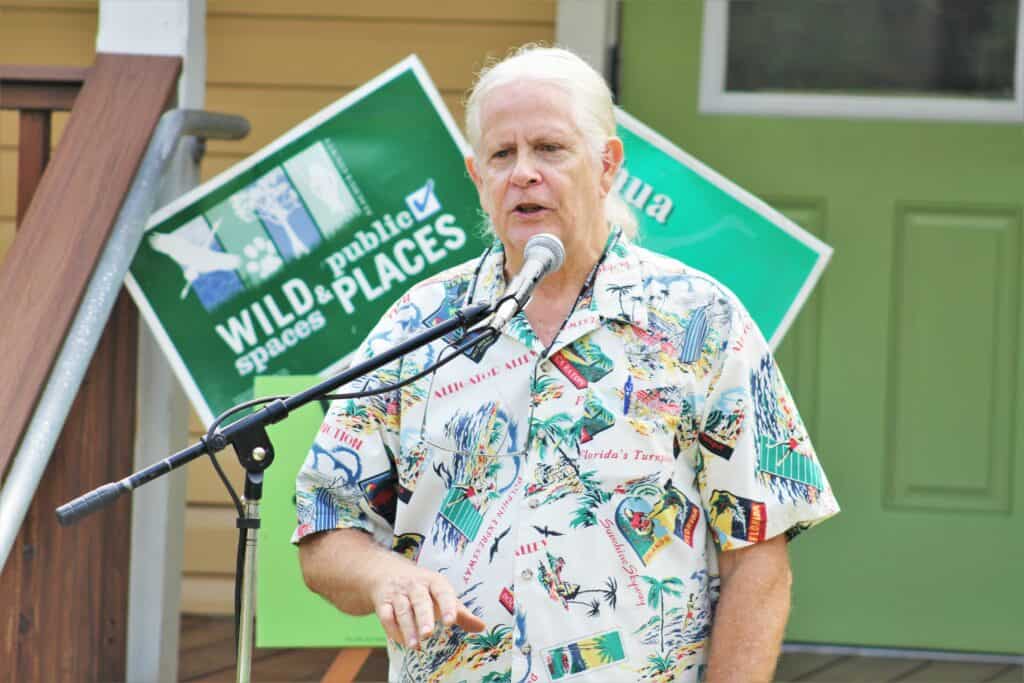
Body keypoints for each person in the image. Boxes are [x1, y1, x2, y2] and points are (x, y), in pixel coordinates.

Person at [294, 45, 839, 683]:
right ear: (477, 176)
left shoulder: (702, 320)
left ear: (606, 165)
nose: (523, 173)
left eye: (549, 148)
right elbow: (326, 529)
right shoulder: (418, 325)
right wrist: (384, 573)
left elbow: (758, 555)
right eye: (502, 155)